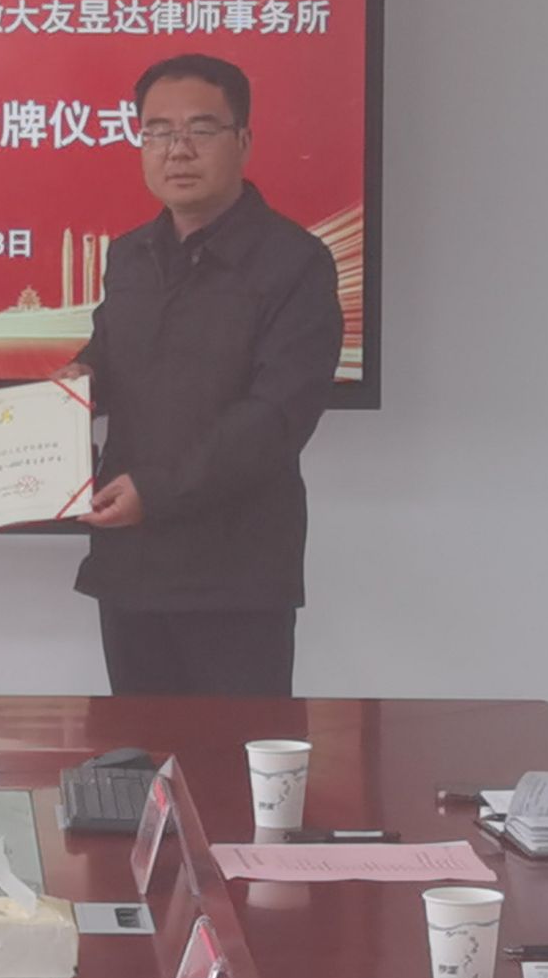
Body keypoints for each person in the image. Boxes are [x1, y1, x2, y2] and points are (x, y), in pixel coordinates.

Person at [55, 54, 344, 696]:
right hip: (131, 564)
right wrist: (75, 384)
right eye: (157, 131)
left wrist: (158, 491)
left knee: (235, 753)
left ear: (243, 141)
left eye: (201, 129)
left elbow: (276, 416)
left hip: (234, 572)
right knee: (138, 748)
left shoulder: (295, 263)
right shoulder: (130, 255)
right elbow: (110, 354)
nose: (177, 150)